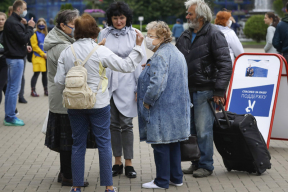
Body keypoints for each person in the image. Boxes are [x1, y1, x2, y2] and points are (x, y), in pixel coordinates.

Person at [54, 13, 145, 192]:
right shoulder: (100, 51)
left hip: (74, 105)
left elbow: (58, 80)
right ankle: (109, 187)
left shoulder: (67, 51)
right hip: (98, 103)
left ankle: (76, 186)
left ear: (76, 32)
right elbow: (126, 66)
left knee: (78, 144)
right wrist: (139, 47)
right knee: (104, 143)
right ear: (95, 32)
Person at [176, 0, 232, 178]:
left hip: (205, 91)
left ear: (200, 16)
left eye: (190, 14)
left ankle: (206, 166)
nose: (187, 16)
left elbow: (225, 65)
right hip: (187, 90)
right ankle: (195, 162)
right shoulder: (186, 34)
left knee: (204, 130)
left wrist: (218, 91)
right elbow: (176, 58)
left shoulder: (214, 34)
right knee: (191, 130)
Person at [44, 10, 95, 187]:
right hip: (65, 98)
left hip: (62, 97)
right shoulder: (61, 47)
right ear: (63, 26)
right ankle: (69, 176)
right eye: (74, 24)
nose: (77, 27)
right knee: (68, 140)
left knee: (66, 139)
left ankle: (65, 172)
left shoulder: (60, 40)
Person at [139, 21, 190, 190]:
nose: (147, 39)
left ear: (161, 38)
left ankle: (161, 180)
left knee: (160, 144)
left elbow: (157, 84)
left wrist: (147, 102)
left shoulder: (161, 55)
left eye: (151, 36)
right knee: (173, 142)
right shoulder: (175, 52)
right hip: (175, 108)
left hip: (162, 108)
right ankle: (176, 177)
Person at [98, 1, 147, 179]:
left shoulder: (135, 34)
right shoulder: (103, 33)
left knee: (126, 124)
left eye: (122, 18)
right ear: (110, 18)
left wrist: (138, 86)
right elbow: (98, 58)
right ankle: (116, 162)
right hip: (108, 84)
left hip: (128, 82)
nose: (119, 21)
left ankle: (129, 163)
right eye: (115, 18)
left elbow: (141, 62)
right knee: (111, 124)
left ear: (127, 18)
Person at [3, 0, 35, 126]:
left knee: (11, 88)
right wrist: (30, 27)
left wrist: (23, 47)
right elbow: (24, 38)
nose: (26, 10)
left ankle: (9, 115)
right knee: (14, 89)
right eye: (25, 8)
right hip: (15, 59)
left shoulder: (13, 21)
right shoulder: (14, 23)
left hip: (13, 57)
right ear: (19, 9)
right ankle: (10, 116)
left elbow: (16, 41)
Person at [30, 18, 48, 97]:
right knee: (36, 74)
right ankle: (33, 91)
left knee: (45, 75)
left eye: (43, 24)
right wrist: (43, 54)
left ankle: (46, 90)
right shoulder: (34, 33)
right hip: (38, 57)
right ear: (37, 25)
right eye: (40, 24)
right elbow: (34, 46)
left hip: (46, 57)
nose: (41, 25)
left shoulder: (46, 34)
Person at [0, 12, 7, 105]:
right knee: (5, 86)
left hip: (5, 63)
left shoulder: (8, 33)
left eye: (2, 19)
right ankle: (13, 109)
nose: (0, 21)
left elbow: (10, 48)